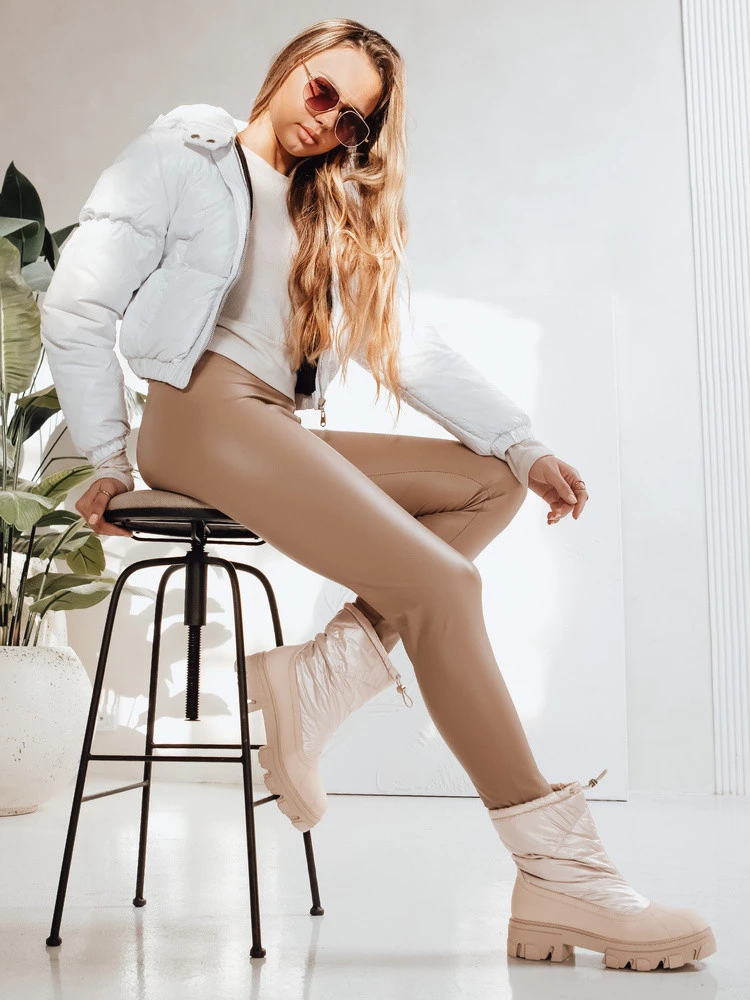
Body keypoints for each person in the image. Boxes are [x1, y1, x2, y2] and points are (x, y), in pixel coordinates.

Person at [39, 17, 715, 972]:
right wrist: (108, 456)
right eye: (324, 92)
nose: (330, 123)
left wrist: (521, 443)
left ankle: (319, 678)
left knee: (487, 486)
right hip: (198, 418)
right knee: (444, 587)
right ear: (292, 65)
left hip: (269, 424)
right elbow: (79, 304)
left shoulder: (325, 211)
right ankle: (561, 871)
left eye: (354, 121)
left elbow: (403, 342)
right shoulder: (182, 157)